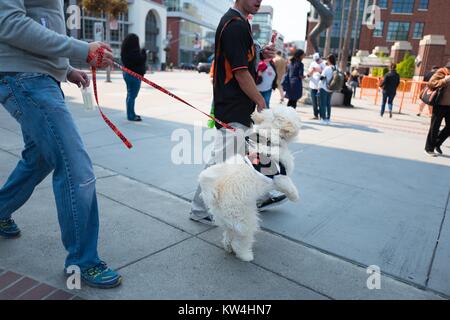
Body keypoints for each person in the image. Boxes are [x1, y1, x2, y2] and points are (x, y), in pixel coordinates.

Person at [0, 1, 122, 288]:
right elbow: (9, 24)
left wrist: (66, 69)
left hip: (39, 77)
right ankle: (82, 261)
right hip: (24, 78)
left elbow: (43, 22)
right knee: (75, 167)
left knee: (39, 158)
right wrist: (82, 50)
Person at [189, 0, 286, 225]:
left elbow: (243, 61)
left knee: (252, 154)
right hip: (233, 106)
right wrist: (261, 100)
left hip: (240, 107)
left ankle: (260, 196)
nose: (258, 1)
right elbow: (241, 73)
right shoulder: (234, 25)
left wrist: (261, 55)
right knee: (220, 162)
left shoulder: (242, 24)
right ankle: (200, 209)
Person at [424, 61, 450, 157]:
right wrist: (444, 80)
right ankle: (429, 148)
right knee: (435, 126)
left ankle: (437, 143)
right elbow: (431, 84)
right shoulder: (442, 72)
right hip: (439, 104)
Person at [121, 34, 147, 122]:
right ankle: (131, 115)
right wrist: (144, 51)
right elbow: (141, 59)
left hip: (127, 74)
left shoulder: (125, 51)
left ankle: (131, 113)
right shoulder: (134, 52)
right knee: (132, 95)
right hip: (134, 76)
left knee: (130, 94)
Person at [308, 53, 326, 119]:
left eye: (318, 59)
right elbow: (308, 74)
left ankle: (321, 115)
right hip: (312, 86)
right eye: (315, 60)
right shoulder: (312, 64)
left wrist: (320, 71)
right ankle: (315, 115)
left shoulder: (324, 64)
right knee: (314, 102)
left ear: (320, 57)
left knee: (320, 102)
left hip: (320, 87)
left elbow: (325, 76)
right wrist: (312, 71)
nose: (317, 61)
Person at [319, 54, 336, 124]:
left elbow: (321, 77)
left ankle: (323, 118)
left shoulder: (327, 68)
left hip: (324, 87)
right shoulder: (336, 68)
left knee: (323, 103)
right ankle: (328, 118)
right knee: (328, 103)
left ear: (329, 60)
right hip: (331, 88)